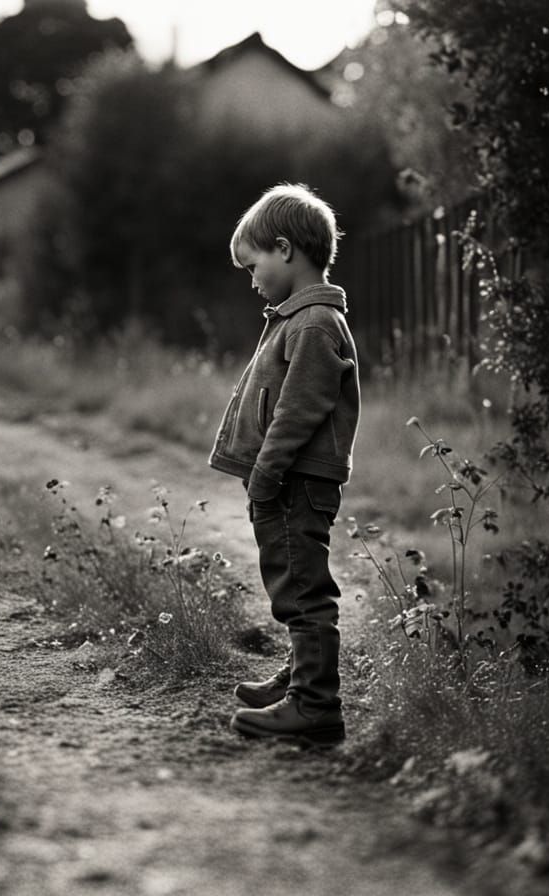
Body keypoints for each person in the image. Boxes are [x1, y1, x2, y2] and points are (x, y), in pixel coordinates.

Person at [208, 183, 360, 747]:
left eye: (253, 266)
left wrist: (267, 472)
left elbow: (298, 412)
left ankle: (316, 706)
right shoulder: (297, 319)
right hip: (288, 479)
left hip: (295, 480)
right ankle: (302, 676)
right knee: (290, 582)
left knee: (302, 588)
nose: (251, 281)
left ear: (284, 249)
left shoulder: (314, 323)